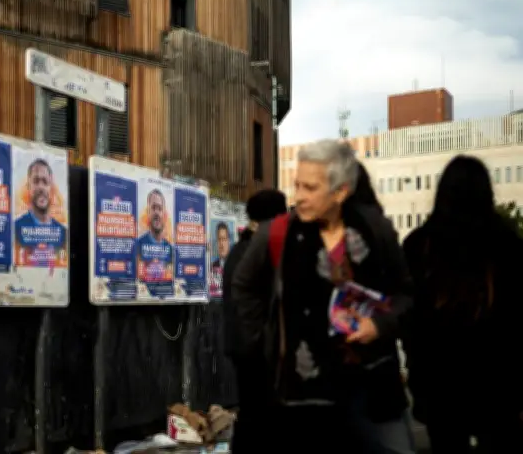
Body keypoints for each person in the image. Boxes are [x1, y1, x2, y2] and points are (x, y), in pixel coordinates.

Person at [232, 139, 414, 452]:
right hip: (301, 392)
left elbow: (407, 296)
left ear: (340, 192)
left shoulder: (376, 232)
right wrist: (264, 339)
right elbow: (243, 286)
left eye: (310, 188)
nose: (299, 196)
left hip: (370, 386)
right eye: (297, 185)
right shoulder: (276, 234)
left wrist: (380, 326)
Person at [402, 155, 523, 453]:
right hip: (499, 384)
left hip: (439, 384)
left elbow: (408, 319)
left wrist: (416, 368)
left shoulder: (419, 246)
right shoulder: (508, 246)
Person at [222, 189, 287, 453]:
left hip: (247, 346)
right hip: (255, 349)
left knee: (254, 415)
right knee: (258, 416)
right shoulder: (253, 252)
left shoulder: (241, 249)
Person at [14, 158, 67, 265]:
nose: (41, 187)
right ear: (28, 187)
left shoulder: (63, 234)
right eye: (36, 181)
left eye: (45, 182)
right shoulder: (16, 229)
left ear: (51, 188)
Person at [136, 188, 173, 282]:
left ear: (164, 214)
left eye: (160, 208)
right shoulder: (139, 244)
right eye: (153, 208)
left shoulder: (170, 249)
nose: (156, 212)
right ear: (148, 212)